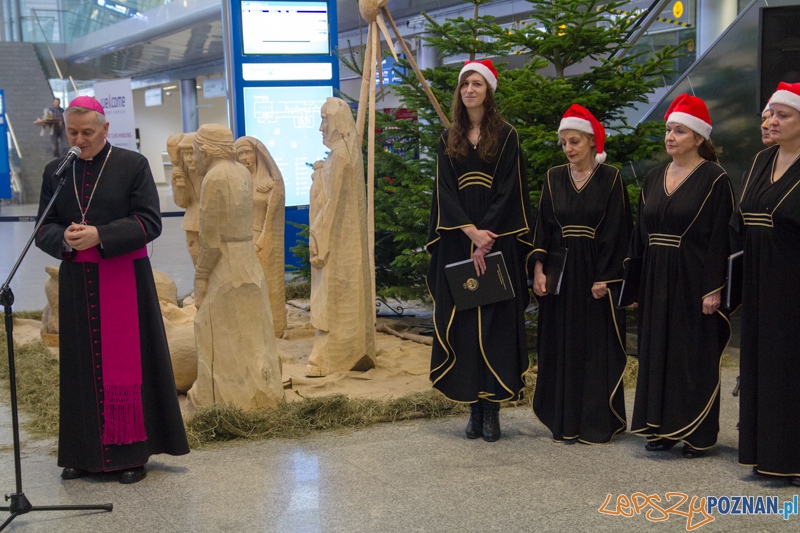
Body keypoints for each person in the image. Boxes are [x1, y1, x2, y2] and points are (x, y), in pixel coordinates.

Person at [35, 96, 189, 483]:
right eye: (73, 132)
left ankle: (131, 455)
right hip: (77, 283)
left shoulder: (132, 165)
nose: (80, 139)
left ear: (105, 129)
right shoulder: (57, 171)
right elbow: (43, 226)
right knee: (79, 368)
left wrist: (100, 234)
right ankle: (83, 454)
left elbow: (149, 222)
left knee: (130, 365)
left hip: (123, 278)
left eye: (88, 132)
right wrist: (66, 239)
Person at [426, 59, 533, 442]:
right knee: (467, 326)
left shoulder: (507, 136)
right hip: (459, 241)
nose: (470, 89)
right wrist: (471, 233)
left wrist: (487, 237)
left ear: (489, 91)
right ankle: (473, 408)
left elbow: (509, 191)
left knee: (495, 324)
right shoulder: (447, 138)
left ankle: (493, 411)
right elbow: (445, 193)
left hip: (497, 241)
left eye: (477, 84)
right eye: (465, 84)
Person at [627, 94, 733, 458]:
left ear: (699, 138)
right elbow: (639, 234)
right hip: (656, 276)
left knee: (691, 354)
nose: (670, 136)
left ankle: (696, 433)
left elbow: (721, 236)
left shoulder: (715, 179)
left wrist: (713, 288)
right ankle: (660, 428)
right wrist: (637, 282)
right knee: (657, 352)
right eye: (668, 129)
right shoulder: (656, 176)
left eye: (680, 131)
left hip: (693, 278)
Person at [531, 104, 632, 444]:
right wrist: (539, 269)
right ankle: (565, 421)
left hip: (593, 275)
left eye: (574, 141)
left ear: (591, 141)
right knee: (561, 344)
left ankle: (595, 423)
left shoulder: (611, 178)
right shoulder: (553, 177)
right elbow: (542, 227)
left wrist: (606, 276)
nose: (568, 149)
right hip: (559, 274)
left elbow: (619, 231)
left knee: (593, 345)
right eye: (563, 143)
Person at [188, 124, 284, 410]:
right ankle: (262, 395)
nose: (193, 159)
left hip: (225, 264)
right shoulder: (241, 172)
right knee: (254, 332)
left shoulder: (214, 177)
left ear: (206, 150)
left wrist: (201, 275)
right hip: (247, 261)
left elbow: (211, 238)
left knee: (215, 328)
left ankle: (228, 401)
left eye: (195, 151)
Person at [735, 82, 800, 486]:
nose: (771, 122)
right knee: (763, 366)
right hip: (760, 281)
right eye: (767, 115)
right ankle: (766, 453)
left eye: (782, 115)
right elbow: (739, 222)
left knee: (792, 369)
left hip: (793, 282)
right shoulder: (761, 161)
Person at [306, 97, 376, 376]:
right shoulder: (342, 156)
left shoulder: (342, 157)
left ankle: (336, 351)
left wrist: (319, 239)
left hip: (339, 240)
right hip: (342, 238)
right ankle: (349, 348)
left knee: (335, 295)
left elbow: (332, 206)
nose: (320, 128)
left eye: (325, 120)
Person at [234, 136, 287, 337]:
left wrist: (263, 239)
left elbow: (271, 217)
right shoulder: (238, 181)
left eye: (247, 152)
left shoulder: (270, 183)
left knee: (264, 282)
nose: (244, 157)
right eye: (240, 154)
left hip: (260, 237)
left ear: (257, 154)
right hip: (240, 238)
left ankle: (272, 326)